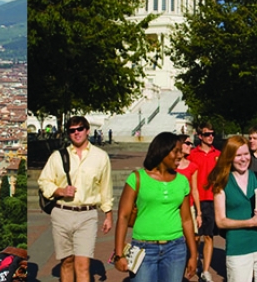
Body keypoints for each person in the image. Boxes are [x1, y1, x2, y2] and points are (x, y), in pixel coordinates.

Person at [37, 116, 113, 282]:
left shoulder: (100, 157)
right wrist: (59, 190)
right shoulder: (58, 156)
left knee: (83, 264)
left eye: (80, 129)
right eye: (72, 130)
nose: (76, 133)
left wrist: (108, 214)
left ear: (87, 131)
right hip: (62, 212)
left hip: (87, 214)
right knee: (67, 262)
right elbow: (44, 181)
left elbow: (105, 186)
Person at [114, 132, 197, 281]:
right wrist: (119, 254)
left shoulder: (182, 181)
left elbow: (186, 220)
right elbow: (123, 216)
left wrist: (193, 254)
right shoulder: (137, 178)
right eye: (176, 151)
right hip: (143, 248)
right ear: (162, 151)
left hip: (175, 249)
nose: (180, 155)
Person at [209, 136, 257, 282]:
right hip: (238, 247)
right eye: (238, 155)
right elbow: (221, 222)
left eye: (246, 154)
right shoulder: (222, 183)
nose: (243, 159)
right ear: (229, 157)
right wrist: (251, 222)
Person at [189, 122, 220, 282]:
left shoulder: (218, 154)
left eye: (213, 134)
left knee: (209, 236)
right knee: (195, 236)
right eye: (207, 134)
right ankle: (192, 262)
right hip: (195, 200)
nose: (211, 137)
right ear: (200, 136)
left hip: (212, 199)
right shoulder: (192, 154)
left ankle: (206, 270)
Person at [175, 134, 201, 234]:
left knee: (193, 236)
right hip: (173, 207)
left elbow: (194, 190)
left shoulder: (193, 167)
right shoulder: (170, 165)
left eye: (191, 144)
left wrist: (198, 213)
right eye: (187, 143)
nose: (190, 146)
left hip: (188, 207)